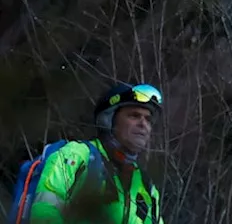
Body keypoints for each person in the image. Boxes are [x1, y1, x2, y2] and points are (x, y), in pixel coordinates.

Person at [28, 82, 164, 223]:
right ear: (109, 121)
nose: (143, 124)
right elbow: (43, 214)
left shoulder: (146, 186)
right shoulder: (77, 156)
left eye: (148, 119)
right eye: (134, 116)